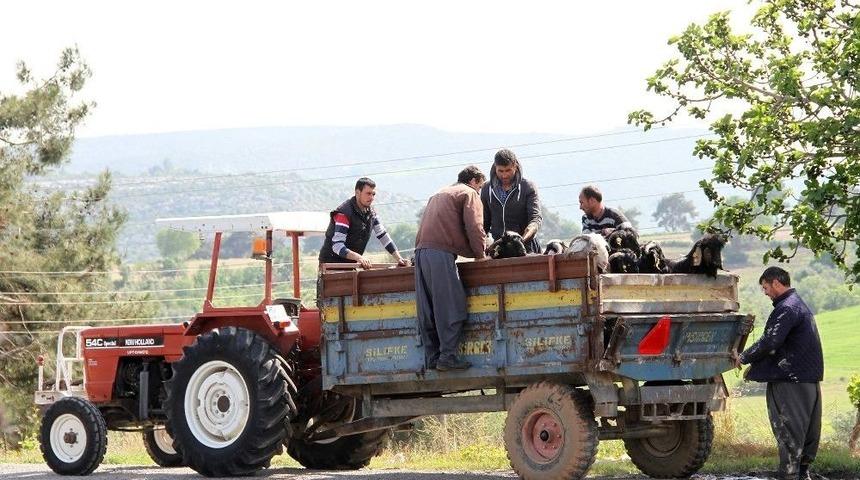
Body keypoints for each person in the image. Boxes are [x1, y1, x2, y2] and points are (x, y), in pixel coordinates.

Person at [736, 267, 824, 480]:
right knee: (808, 431)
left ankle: (789, 474)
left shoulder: (786, 308)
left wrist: (743, 357)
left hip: (790, 379)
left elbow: (770, 341)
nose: (765, 292)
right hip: (808, 378)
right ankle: (802, 473)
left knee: (788, 428)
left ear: (776, 283)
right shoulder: (798, 304)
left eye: (765, 287)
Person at [414, 166, 488, 371]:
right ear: (473, 181)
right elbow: (475, 226)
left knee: (427, 310)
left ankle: (432, 358)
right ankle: (447, 357)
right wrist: (481, 255)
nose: (480, 191)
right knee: (450, 305)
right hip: (440, 254)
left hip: (421, 253)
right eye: (480, 186)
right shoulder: (469, 193)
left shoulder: (439, 193)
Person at [319, 177, 408, 268]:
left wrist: (398, 258)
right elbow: (337, 246)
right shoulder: (344, 213)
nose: (372, 197)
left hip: (350, 265)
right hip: (330, 265)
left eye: (373, 194)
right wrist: (359, 258)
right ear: (357, 193)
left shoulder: (372, 213)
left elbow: (383, 235)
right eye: (368, 193)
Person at [480, 149, 542, 253]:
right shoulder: (486, 189)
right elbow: (484, 223)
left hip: (526, 247)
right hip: (499, 249)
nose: (504, 175)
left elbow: (535, 219)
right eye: (500, 171)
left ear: (515, 166)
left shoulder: (528, 187)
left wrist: (521, 240)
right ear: (495, 167)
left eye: (508, 170)